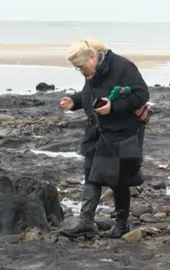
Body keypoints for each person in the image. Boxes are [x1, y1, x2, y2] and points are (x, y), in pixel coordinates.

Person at [58, 39, 150, 239]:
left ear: (92, 57)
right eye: (77, 69)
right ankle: (85, 222)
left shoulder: (123, 67)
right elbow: (89, 94)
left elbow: (142, 94)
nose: (81, 72)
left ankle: (121, 224)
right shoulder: (92, 71)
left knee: (120, 180)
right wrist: (74, 101)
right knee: (91, 174)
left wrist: (113, 107)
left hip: (123, 132)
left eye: (81, 67)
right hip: (97, 129)